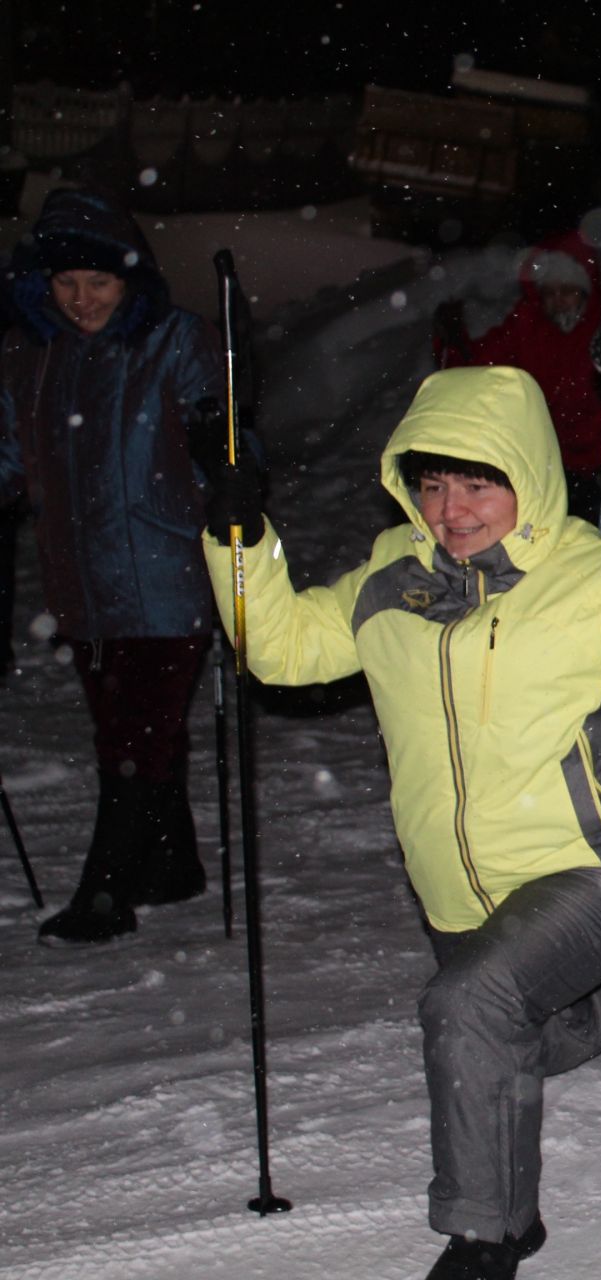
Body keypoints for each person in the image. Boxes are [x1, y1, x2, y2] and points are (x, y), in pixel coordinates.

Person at [199, 365, 601, 1279]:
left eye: (477, 481)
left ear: (525, 476)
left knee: (469, 1008)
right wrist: (238, 538)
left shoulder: (588, 570)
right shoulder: (393, 577)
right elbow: (282, 649)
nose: (451, 508)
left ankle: (489, 1234)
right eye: (433, 482)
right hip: (460, 891)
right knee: (505, 1045)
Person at [0, 187, 220, 944]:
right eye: (65, 283)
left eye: (99, 283)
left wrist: (233, 474)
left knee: (133, 738)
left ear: (131, 281)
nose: (82, 299)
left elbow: (219, 430)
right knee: (131, 731)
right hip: (80, 588)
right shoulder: (31, 358)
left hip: (166, 580)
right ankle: (172, 865)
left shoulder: (173, 340)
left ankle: (106, 892)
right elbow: (8, 456)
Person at [433, 230, 601, 523]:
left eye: (567, 290)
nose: (559, 301)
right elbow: (478, 367)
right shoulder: (528, 325)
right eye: (550, 293)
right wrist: (453, 342)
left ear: (584, 289)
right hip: (549, 462)